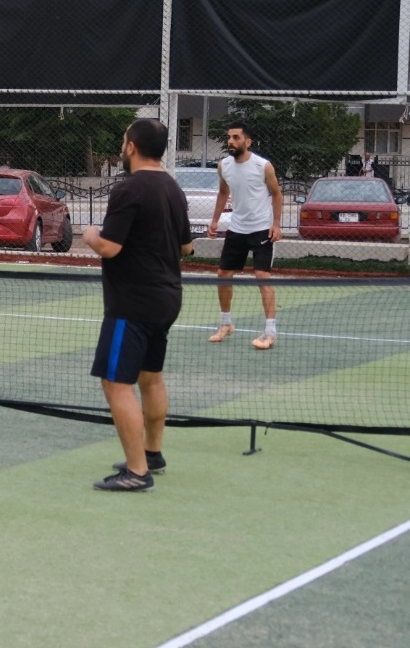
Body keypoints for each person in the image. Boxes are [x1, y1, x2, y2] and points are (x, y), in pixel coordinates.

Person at [82, 118, 193, 492]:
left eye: (123, 139)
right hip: (167, 299)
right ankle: (153, 453)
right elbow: (186, 248)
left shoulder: (128, 190)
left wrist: (90, 235)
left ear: (131, 147)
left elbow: (110, 246)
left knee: (115, 383)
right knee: (151, 378)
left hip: (133, 303)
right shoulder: (174, 189)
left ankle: (137, 471)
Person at [207, 121, 283, 351]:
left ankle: (270, 333)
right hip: (237, 229)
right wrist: (214, 220)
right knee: (223, 275)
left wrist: (276, 224)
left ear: (247, 142)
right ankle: (226, 324)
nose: (231, 141)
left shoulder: (263, 166)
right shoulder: (224, 166)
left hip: (261, 229)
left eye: (236, 137)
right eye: (229, 137)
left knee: (262, 277)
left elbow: (277, 194)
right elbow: (223, 192)